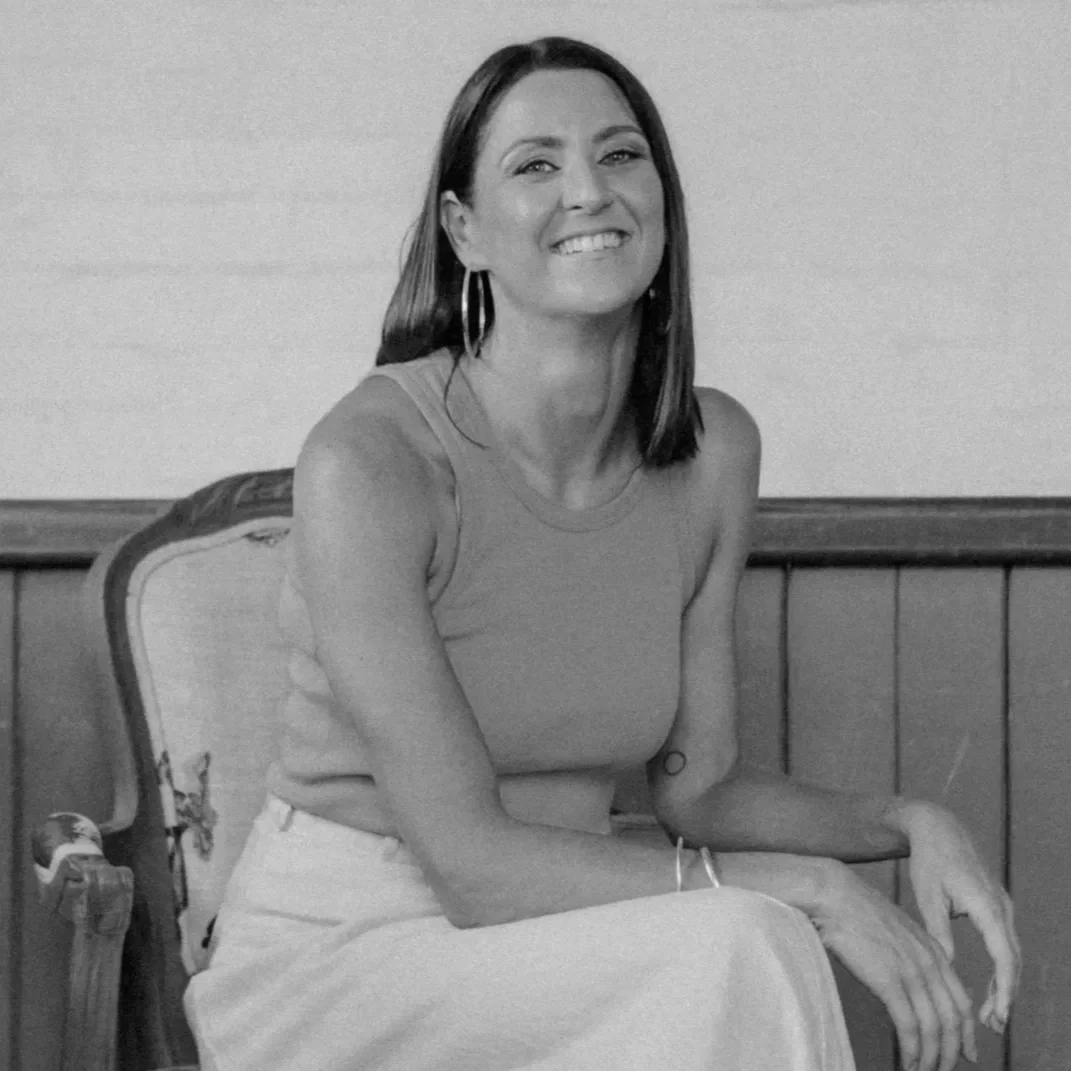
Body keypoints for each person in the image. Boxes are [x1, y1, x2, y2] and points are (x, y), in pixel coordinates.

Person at [184, 36, 1020, 1071]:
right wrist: (806, 886)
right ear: (465, 230)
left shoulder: (712, 452)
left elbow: (696, 791)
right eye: (535, 165)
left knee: (736, 942)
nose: (589, 190)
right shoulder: (372, 460)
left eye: (622, 157)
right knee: (743, 940)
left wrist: (907, 820)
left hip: (572, 915)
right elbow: (475, 867)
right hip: (350, 950)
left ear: (662, 202)